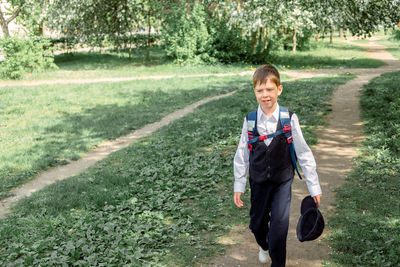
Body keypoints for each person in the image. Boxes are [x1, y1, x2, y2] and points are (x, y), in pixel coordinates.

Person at [233, 64, 322, 267]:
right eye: (260, 90)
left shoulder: (288, 119)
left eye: (270, 89)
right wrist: (239, 185)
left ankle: (278, 262)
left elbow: (304, 153)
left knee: (279, 229)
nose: (265, 95)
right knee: (257, 225)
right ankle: (263, 246)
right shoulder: (250, 120)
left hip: (282, 182)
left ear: (279, 89)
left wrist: (314, 186)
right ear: (254, 92)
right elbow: (242, 154)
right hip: (258, 181)